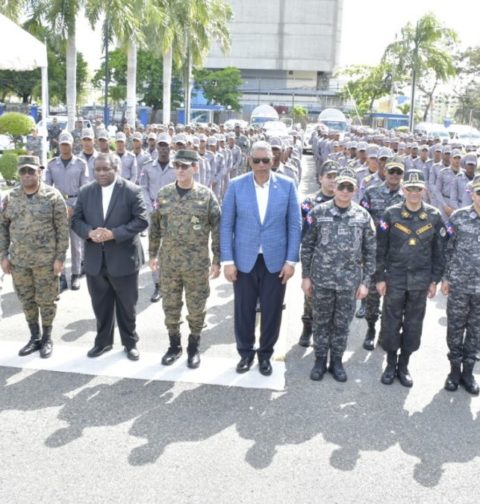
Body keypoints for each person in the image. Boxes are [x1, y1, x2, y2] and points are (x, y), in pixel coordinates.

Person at [220, 141, 301, 376]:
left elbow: (294, 225)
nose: (262, 165)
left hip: (275, 261)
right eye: (257, 160)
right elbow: (226, 225)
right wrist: (227, 261)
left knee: (272, 310)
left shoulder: (287, 185)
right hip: (244, 259)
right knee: (244, 309)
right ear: (250, 161)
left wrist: (291, 261)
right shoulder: (236, 185)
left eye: (266, 160)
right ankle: (245, 353)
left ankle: (265, 354)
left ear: (273, 160)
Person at [71, 152, 148, 360]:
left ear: (117, 169)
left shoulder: (131, 191)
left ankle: (130, 343)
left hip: (123, 259)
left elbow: (142, 220)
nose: (102, 173)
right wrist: (89, 233)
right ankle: (103, 342)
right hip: (96, 260)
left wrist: (114, 234)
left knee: (127, 305)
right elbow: (76, 220)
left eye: (106, 169)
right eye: (97, 169)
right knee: (101, 305)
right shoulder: (86, 192)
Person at [301, 168, 376, 383]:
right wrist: (306, 276)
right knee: (321, 322)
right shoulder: (318, 213)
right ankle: (319, 360)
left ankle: (336, 361)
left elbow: (370, 251)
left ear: (355, 190)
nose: (344, 191)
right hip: (322, 279)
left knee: (342, 324)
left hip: (348, 282)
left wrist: (365, 282)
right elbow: (307, 246)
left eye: (349, 187)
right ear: (335, 188)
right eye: (341, 186)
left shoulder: (362, 216)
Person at [149, 150, 221, 369]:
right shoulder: (164, 194)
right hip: (169, 263)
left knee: (197, 307)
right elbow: (155, 227)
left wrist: (217, 259)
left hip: (196, 265)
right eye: (177, 165)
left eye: (185, 166)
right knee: (170, 306)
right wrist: (152, 254)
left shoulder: (206, 196)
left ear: (195, 168)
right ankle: (174, 346)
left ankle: (193, 346)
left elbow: (218, 229)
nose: (180, 170)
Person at [376, 170, 446, 387]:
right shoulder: (390, 214)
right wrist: (380, 277)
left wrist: (434, 280)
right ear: (403, 189)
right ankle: (390, 364)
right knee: (391, 323)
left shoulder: (434, 216)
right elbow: (380, 248)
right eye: (410, 188)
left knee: (413, 325)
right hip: (395, 278)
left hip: (420, 281)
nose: (414, 193)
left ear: (424, 190)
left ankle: (404, 365)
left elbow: (439, 252)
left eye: (418, 189)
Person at [0, 156, 69, 358]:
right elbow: (2, 227)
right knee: (27, 300)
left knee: (47, 300)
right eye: (23, 171)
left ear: (39, 171)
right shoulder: (10, 197)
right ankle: (34, 337)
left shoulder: (53, 196)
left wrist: (60, 258)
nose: (27, 175)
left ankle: (47, 338)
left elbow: (62, 229)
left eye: (31, 171)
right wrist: (3, 255)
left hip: (45, 262)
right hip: (19, 262)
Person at [359, 158, 405, 350]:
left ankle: (385, 333)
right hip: (375, 252)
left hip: (397, 255)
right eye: (391, 171)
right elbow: (361, 219)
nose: (394, 175)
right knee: (372, 296)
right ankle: (370, 329)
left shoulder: (407, 196)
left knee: (393, 298)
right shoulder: (371, 192)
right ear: (384, 172)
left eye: (398, 172)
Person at [441, 174, 480, 395]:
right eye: (479, 192)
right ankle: (454, 371)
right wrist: (445, 277)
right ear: (472, 194)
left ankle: (468, 373)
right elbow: (446, 248)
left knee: (476, 332)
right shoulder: (459, 217)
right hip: (459, 285)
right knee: (455, 329)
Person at [298, 159, 338, 348]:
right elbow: (304, 233)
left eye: (336, 177)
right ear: (320, 178)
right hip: (316, 260)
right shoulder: (310, 202)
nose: (333, 181)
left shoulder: (344, 201)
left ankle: (327, 334)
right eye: (329, 176)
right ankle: (307, 328)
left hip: (339, 261)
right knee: (310, 297)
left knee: (335, 301)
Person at [44, 131, 88, 291]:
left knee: (76, 244)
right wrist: (60, 206)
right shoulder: (51, 164)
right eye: (62, 144)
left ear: (72, 145)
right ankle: (61, 276)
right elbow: (47, 188)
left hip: (75, 206)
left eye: (67, 144)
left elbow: (85, 188)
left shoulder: (81, 164)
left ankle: (75, 274)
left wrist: (74, 207)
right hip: (57, 207)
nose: (65, 147)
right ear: (59, 145)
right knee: (59, 244)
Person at [140, 132, 177, 303]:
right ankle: (157, 284)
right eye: (160, 145)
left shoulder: (177, 167)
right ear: (157, 147)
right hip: (153, 212)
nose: (163, 149)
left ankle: (171, 280)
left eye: (166, 145)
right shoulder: (148, 167)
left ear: (171, 147)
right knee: (154, 247)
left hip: (172, 212)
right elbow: (143, 188)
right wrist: (150, 206)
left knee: (171, 247)